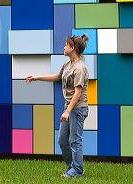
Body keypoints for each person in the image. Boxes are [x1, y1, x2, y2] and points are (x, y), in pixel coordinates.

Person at [25, 35, 89, 178]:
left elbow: (78, 92)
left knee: (75, 140)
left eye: (66, 45)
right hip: (69, 108)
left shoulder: (80, 68)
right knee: (62, 140)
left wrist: (67, 111)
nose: (64, 47)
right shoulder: (68, 65)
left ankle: (77, 170)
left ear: (73, 48)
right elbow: (57, 77)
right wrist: (37, 77)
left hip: (77, 109)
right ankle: (73, 167)